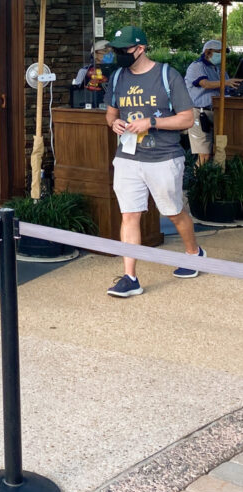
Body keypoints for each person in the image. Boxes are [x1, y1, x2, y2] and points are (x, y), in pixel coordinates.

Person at [104, 25, 203, 297]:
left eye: (124, 50)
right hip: (127, 156)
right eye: (116, 50)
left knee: (172, 211)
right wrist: (115, 124)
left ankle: (193, 252)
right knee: (129, 214)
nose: (119, 55)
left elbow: (186, 118)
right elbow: (110, 114)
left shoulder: (167, 75)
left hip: (163, 156)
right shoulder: (116, 78)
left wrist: (153, 122)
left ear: (141, 48)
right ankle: (130, 277)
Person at [185, 39, 241, 165]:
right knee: (204, 154)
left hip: (217, 113)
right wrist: (226, 82)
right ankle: (199, 182)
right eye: (219, 52)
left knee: (218, 151)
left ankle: (215, 180)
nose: (222, 56)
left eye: (223, 53)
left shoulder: (219, 69)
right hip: (200, 114)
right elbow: (205, 84)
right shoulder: (196, 66)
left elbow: (227, 87)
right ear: (208, 52)